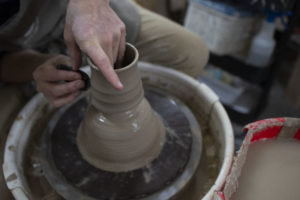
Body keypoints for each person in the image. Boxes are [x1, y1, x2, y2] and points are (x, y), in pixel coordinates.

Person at [0, 0, 208, 198]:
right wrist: (36, 66)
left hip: (71, 11)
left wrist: (90, 6)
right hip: (16, 53)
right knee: (6, 185)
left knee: (190, 53)